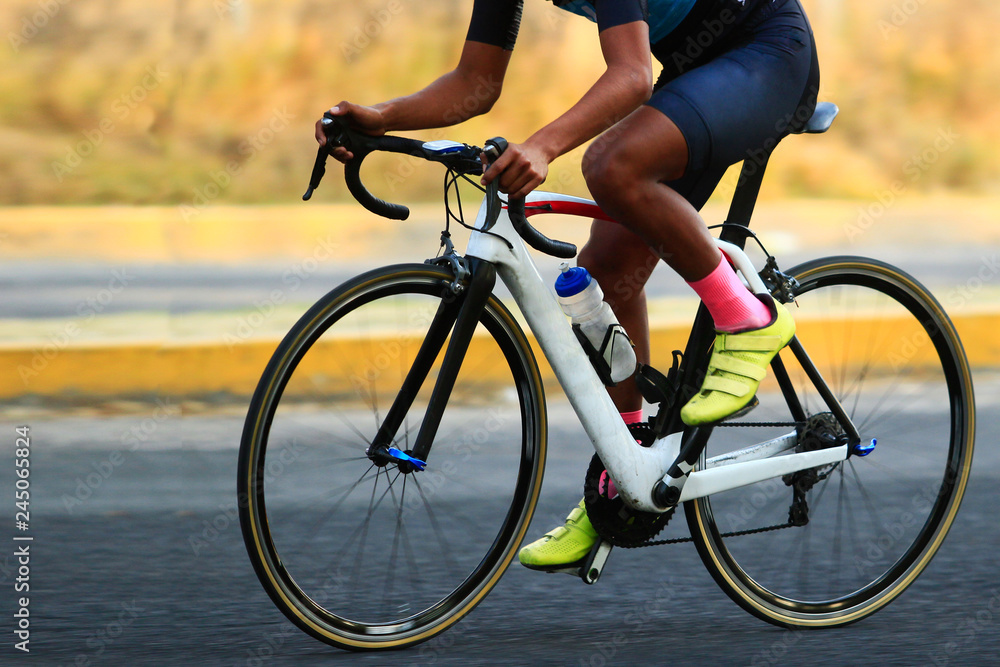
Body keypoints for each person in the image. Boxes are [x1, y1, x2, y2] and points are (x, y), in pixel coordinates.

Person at [317, 0, 819, 571]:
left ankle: (748, 317)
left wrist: (544, 146)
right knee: (605, 278)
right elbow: (476, 82)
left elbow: (631, 76)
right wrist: (384, 116)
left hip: (767, 55)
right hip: (698, 71)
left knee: (611, 165)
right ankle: (625, 471)